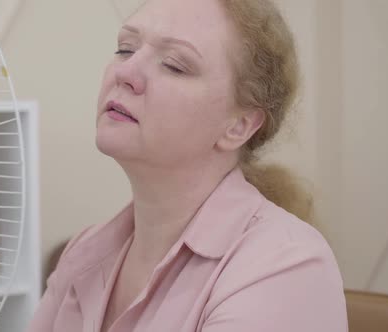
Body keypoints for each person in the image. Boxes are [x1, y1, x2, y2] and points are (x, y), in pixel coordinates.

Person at [26, 0, 348, 330]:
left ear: (238, 125)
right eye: (125, 49)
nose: (125, 73)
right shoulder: (84, 252)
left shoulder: (285, 267)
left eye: (175, 65)